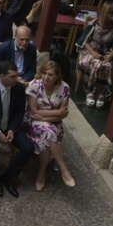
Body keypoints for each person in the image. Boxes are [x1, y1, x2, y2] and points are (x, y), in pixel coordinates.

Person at [0, 62, 32, 197]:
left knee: (28, 148)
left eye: (17, 76)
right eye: (12, 76)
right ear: (2, 76)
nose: (16, 79)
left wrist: (12, 130)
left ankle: (9, 177)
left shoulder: (19, 89)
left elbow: (19, 112)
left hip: (11, 126)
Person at [25, 59, 76, 190]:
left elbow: (63, 114)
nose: (46, 77)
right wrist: (56, 112)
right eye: (45, 73)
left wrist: (45, 116)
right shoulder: (34, 85)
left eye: (51, 74)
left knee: (47, 138)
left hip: (53, 123)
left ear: (57, 76)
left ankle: (41, 174)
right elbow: (33, 110)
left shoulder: (64, 88)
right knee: (49, 133)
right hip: (34, 123)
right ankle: (64, 169)